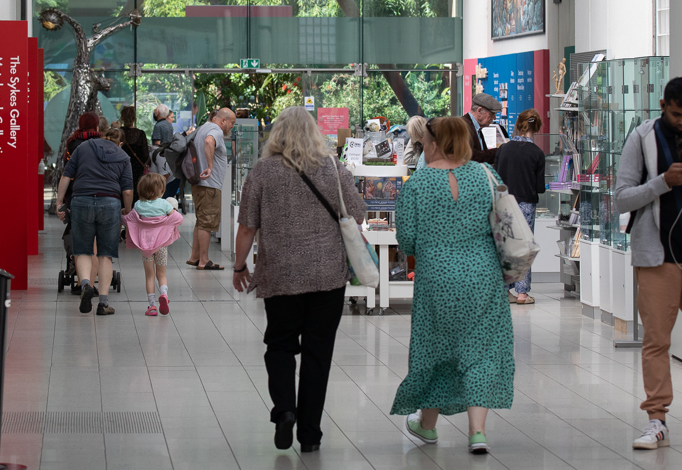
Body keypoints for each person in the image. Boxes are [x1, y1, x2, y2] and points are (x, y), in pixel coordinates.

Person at [231, 106, 366, 452]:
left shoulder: (262, 171)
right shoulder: (335, 169)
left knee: (279, 345)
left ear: (277, 133)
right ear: (315, 133)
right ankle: (310, 434)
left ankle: (285, 410)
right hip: (327, 277)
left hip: (280, 274)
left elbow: (247, 225)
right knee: (317, 354)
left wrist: (239, 266)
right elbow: (359, 214)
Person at [390, 116, 514, 455]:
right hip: (483, 276)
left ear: (433, 142)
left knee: (437, 350)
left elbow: (408, 241)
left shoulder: (418, 183)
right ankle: (477, 433)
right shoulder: (486, 176)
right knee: (482, 351)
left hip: (436, 278)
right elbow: (503, 220)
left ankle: (427, 425)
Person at [616, 77, 682, 450]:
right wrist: (662, 182)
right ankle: (656, 420)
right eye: (677, 114)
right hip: (658, 256)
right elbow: (622, 198)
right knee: (656, 341)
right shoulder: (642, 138)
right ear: (663, 105)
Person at [55, 128, 133, 316]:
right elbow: (128, 191)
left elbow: (66, 175)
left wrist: (59, 202)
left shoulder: (83, 147)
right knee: (105, 255)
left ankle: (84, 285)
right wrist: (127, 210)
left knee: (82, 250)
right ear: (119, 143)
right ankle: (103, 303)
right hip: (110, 203)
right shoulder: (123, 156)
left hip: (82, 201)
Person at [495, 108, 546, 304]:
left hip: (504, 203)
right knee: (524, 247)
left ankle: (505, 290)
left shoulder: (503, 149)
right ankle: (522, 293)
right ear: (537, 127)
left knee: (506, 246)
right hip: (526, 204)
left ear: (517, 125)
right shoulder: (537, 153)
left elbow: (496, 178)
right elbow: (539, 187)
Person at [123, 173, 183, 317]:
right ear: (161, 191)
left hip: (146, 249)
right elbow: (178, 219)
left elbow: (127, 221)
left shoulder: (138, 205)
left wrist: (120, 215)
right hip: (161, 246)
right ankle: (164, 295)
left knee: (149, 276)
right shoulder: (164, 204)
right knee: (161, 274)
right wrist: (170, 214)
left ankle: (152, 306)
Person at [187, 107, 236, 270]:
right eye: (232, 123)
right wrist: (210, 166)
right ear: (223, 121)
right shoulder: (215, 130)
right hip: (209, 185)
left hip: (199, 184)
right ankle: (204, 260)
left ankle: (195, 257)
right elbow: (209, 141)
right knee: (207, 222)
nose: (232, 127)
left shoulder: (203, 127)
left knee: (201, 221)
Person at [118, 106, 150, 207]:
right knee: (136, 195)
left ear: (122, 117)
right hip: (136, 170)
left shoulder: (118, 133)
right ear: (134, 118)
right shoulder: (140, 134)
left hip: (120, 168)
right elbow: (145, 156)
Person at [462, 93, 504, 165]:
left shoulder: (476, 127)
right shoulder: (463, 126)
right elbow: (471, 156)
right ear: (480, 111)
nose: (494, 118)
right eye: (492, 114)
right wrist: (500, 151)